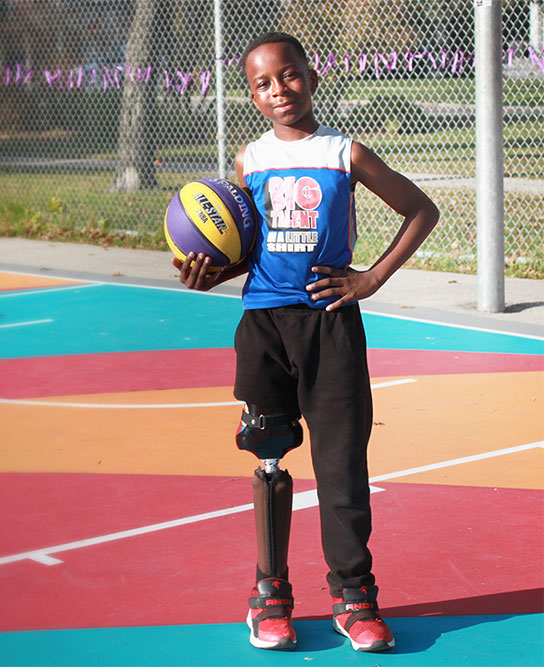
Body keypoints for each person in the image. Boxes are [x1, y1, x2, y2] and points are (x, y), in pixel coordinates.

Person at [173, 32, 439, 652]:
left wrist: (371, 276)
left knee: (342, 465)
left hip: (330, 326)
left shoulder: (344, 153)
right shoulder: (248, 162)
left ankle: (355, 598)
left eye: (288, 76)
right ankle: (270, 597)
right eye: (264, 84)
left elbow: (420, 209)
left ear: (311, 77)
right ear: (252, 96)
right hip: (264, 324)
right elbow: (251, 249)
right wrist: (213, 272)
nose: (279, 90)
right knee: (267, 451)